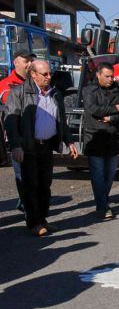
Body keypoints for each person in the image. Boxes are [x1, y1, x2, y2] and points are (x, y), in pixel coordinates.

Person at [4, 60, 79, 236]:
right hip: (28, 147)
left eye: (49, 73)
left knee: (45, 185)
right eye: (44, 74)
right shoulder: (19, 93)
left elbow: (61, 121)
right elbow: (11, 122)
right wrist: (16, 145)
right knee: (30, 186)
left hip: (47, 147)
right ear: (33, 74)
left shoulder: (55, 94)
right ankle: (34, 223)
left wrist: (69, 142)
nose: (48, 77)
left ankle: (43, 219)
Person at [82, 62, 119, 220]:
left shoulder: (118, 90)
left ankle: (103, 201)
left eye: (112, 76)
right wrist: (114, 108)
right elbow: (92, 109)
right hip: (95, 137)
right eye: (107, 76)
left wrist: (112, 117)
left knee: (109, 175)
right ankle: (103, 207)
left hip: (112, 138)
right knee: (97, 175)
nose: (111, 79)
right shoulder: (89, 90)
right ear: (98, 75)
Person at [0, 50, 36, 209]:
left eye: (31, 60)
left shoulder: (35, 83)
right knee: (22, 174)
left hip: (36, 136)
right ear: (16, 63)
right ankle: (27, 206)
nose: (29, 63)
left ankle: (29, 205)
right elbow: (13, 106)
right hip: (18, 137)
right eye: (25, 60)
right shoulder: (7, 84)